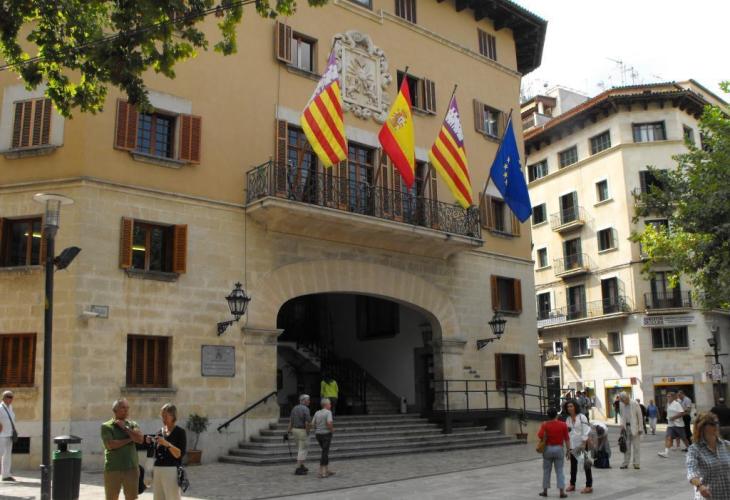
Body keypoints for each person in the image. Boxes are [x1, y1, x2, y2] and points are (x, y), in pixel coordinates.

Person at [101, 399, 145, 500]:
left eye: (127, 408)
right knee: (111, 498)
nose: (126, 410)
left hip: (131, 468)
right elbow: (111, 445)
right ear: (115, 410)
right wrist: (130, 439)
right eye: (123, 408)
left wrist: (125, 428)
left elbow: (140, 439)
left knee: (131, 498)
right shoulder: (106, 426)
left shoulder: (132, 424)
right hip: (112, 468)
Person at [686, 412, 730, 499]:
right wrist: (700, 486)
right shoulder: (694, 449)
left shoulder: (727, 445)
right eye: (712, 424)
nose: (716, 426)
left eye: (717, 423)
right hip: (709, 496)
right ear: (702, 427)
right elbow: (691, 471)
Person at [148, 403, 186, 500]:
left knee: (172, 498)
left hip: (171, 470)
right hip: (157, 470)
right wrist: (150, 442)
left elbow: (179, 454)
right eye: (162, 416)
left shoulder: (180, 432)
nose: (163, 419)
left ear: (173, 416)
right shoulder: (159, 432)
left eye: (165, 416)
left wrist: (167, 444)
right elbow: (155, 454)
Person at [537, 407, 570, 498]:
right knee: (559, 470)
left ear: (548, 415)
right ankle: (561, 492)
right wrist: (568, 450)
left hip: (547, 449)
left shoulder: (544, 424)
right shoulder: (563, 424)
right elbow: (567, 439)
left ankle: (545, 491)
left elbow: (540, 436)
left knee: (546, 470)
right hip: (559, 449)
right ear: (556, 415)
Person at [565, 400, 593, 494]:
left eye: (571, 406)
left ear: (575, 407)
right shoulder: (568, 419)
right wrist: (568, 448)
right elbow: (568, 433)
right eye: (568, 407)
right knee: (573, 466)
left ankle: (589, 486)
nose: (569, 408)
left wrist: (583, 444)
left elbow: (586, 430)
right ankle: (572, 484)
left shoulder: (582, 417)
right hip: (572, 445)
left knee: (586, 465)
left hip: (581, 445)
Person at [658, 392, 690, 458]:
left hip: (678, 425)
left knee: (684, 438)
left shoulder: (677, 404)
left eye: (669, 396)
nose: (668, 398)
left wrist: (674, 417)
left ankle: (690, 451)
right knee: (668, 437)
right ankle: (666, 453)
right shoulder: (668, 404)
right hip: (670, 425)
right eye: (667, 396)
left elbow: (682, 413)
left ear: (673, 397)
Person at [287, 394, 312, 475]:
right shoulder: (306, 409)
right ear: (303, 401)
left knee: (300, 448)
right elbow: (307, 422)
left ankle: (301, 465)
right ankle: (298, 468)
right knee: (302, 450)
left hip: (294, 430)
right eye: (308, 400)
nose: (309, 401)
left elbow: (291, 421)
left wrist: (288, 431)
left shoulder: (294, 408)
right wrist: (308, 432)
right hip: (302, 430)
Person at [619, 392, 643, 469]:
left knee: (636, 446)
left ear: (627, 398)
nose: (623, 402)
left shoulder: (635, 403)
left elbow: (640, 417)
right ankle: (625, 463)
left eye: (624, 401)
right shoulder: (621, 404)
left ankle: (636, 463)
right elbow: (621, 416)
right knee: (626, 446)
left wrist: (640, 428)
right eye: (622, 401)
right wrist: (622, 425)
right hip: (626, 428)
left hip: (635, 428)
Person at [312, 398, 335, 478]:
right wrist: (332, 430)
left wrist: (318, 428)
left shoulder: (317, 412)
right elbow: (329, 423)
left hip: (318, 434)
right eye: (330, 404)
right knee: (324, 452)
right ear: (326, 405)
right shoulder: (328, 412)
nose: (330, 405)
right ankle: (322, 471)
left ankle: (327, 469)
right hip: (326, 434)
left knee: (325, 451)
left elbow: (313, 424)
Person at [0, 391, 16, 481]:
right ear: (4, 398)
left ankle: (6, 475)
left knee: (7, 455)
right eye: (9, 397)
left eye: (12, 397)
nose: (11, 399)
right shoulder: (0, 408)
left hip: (9, 434)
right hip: (1, 435)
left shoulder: (10, 407)